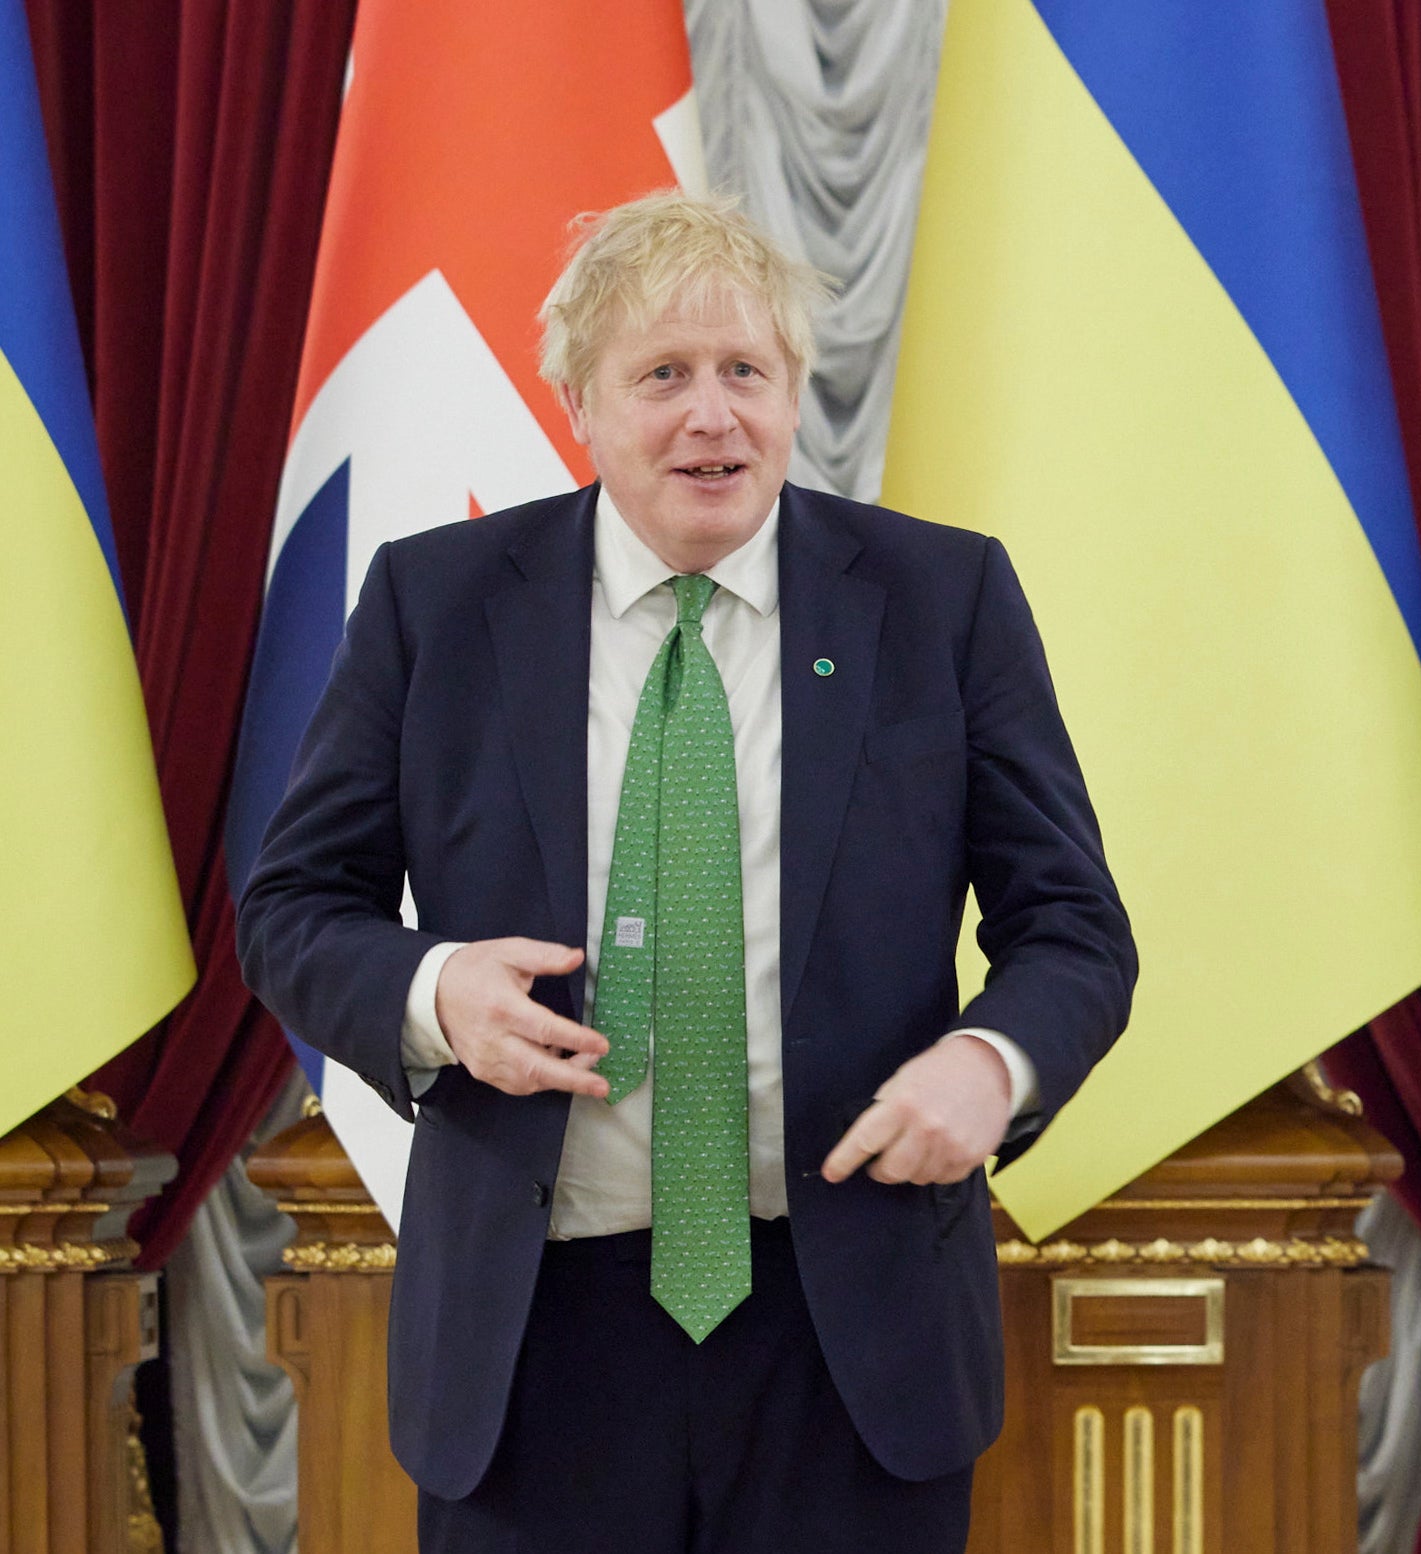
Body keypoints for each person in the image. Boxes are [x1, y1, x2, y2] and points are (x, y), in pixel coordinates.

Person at [238, 191, 1137, 1553]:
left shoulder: (939, 602)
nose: (710, 415)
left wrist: (991, 1065)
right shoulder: (439, 605)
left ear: (793, 399)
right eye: (662, 374)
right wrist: (436, 994)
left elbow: (1071, 925)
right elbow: (294, 909)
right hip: (535, 1341)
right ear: (580, 407)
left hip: (849, 1328)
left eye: (745, 373)